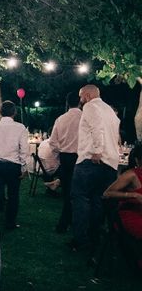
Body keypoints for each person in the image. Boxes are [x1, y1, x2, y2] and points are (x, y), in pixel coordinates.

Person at [69, 84, 120, 250]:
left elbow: (97, 128)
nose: (80, 100)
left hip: (91, 160)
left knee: (80, 198)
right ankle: (94, 236)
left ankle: (80, 239)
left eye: (81, 96)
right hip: (110, 163)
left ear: (88, 95)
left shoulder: (91, 106)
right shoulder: (110, 111)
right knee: (98, 201)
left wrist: (97, 151)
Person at [0, 101, 28, 230]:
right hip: (13, 165)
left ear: (0, 112)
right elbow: (24, 150)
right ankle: (10, 223)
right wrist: (24, 167)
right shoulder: (20, 127)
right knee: (13, 195)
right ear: (14, 112)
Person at [49, 92, 82, 233]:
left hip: (66, 158)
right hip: (81, 157)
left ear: (67, 103)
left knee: (68, 191)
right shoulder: (85, 118)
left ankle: (64, 223)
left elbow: (52, 142)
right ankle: (74, 223)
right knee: (79, 192)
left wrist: (61, 149)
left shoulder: (61, 119)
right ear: (80, 102)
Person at [104, 144, 142, 241]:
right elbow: (107, 193)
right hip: (131, 214)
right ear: (138, 160)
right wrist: (133, 195)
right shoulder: (131, 175)